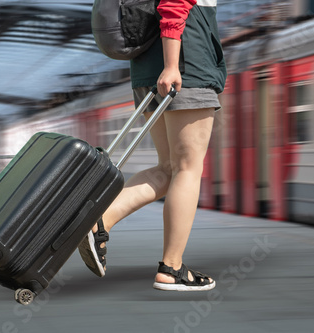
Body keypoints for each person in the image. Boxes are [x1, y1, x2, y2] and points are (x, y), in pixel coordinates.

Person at [78, 0, 227, 291]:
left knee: (169, 168)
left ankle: (98, 222)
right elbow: (175, 5)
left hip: (147, 69)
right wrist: (172, 65)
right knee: (187, 168)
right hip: (185, 64)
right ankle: (172, 268)